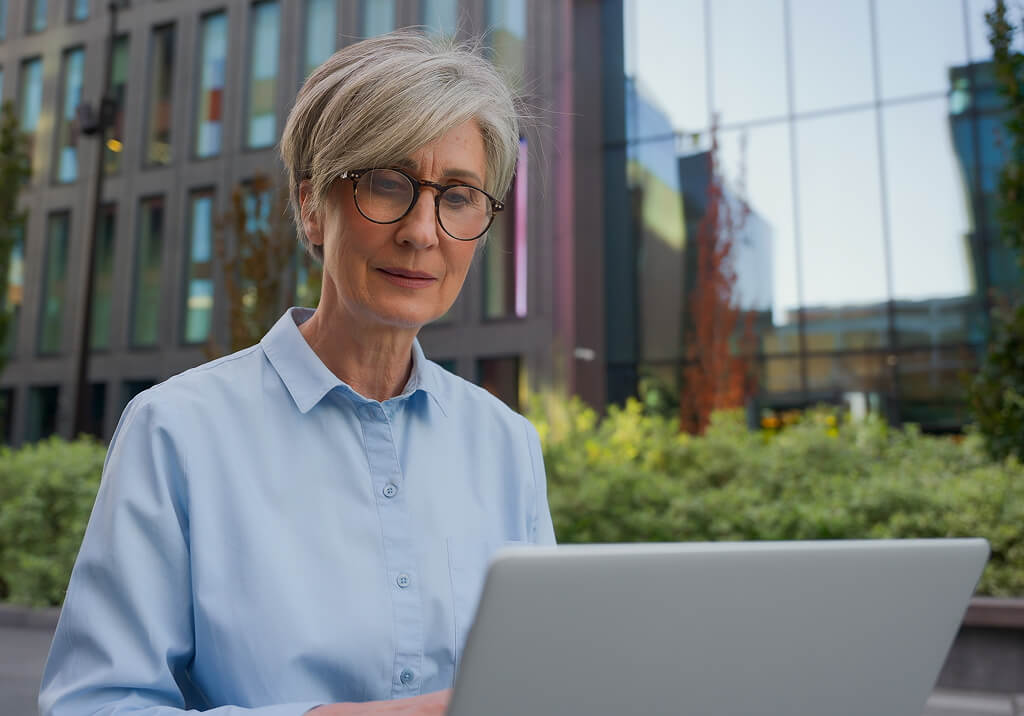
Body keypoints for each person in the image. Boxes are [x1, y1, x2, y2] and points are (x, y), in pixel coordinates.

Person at [39, 30, 556, 716]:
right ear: (312, 207)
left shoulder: (507, 443)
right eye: (387, 183)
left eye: (458, 195)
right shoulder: (178, 431)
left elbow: (543, 680)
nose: (423, 231)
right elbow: (93, 705)